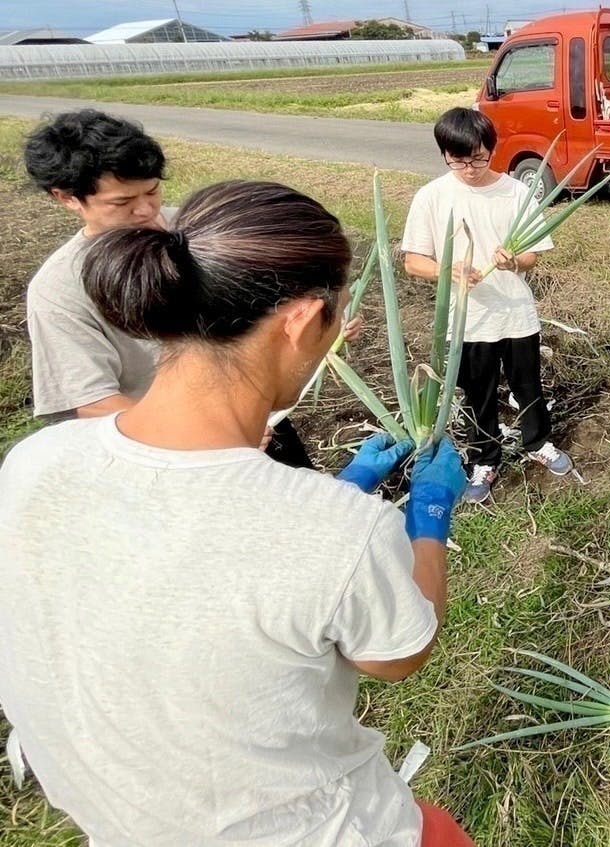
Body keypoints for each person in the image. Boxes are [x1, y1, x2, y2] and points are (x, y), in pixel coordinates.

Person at [0, 181, 472, 846]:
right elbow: (398, 655)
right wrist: (428, 518)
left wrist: (340, 490)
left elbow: (200, 554)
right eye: (336, 318)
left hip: (120, 820)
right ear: (303, 321)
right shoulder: (337, 528)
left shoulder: (35, 462)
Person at [22, 109, 325, 468]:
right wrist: (203, 435)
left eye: (152, 191)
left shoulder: (195, 230)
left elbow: (265, 292)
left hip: (259, 421)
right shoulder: (60, 289)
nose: (146, 210)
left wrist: (318, 321)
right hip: (166, 454)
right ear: (67, 198)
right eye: (123, 202)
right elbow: (92, 401)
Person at [402, 107, 571, 504]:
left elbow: (533, 255)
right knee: (477, 392)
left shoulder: (515, 192)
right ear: (444, 153)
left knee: (528, 385)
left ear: (491, 150)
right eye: (459, 159)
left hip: (514, 312)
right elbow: (413, 261)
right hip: (467, 320)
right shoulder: (431, 197)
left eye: (478, 157)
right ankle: (485, 459)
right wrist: (451, 269)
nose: (470, 167)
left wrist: (513, 258)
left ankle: (538, 443)